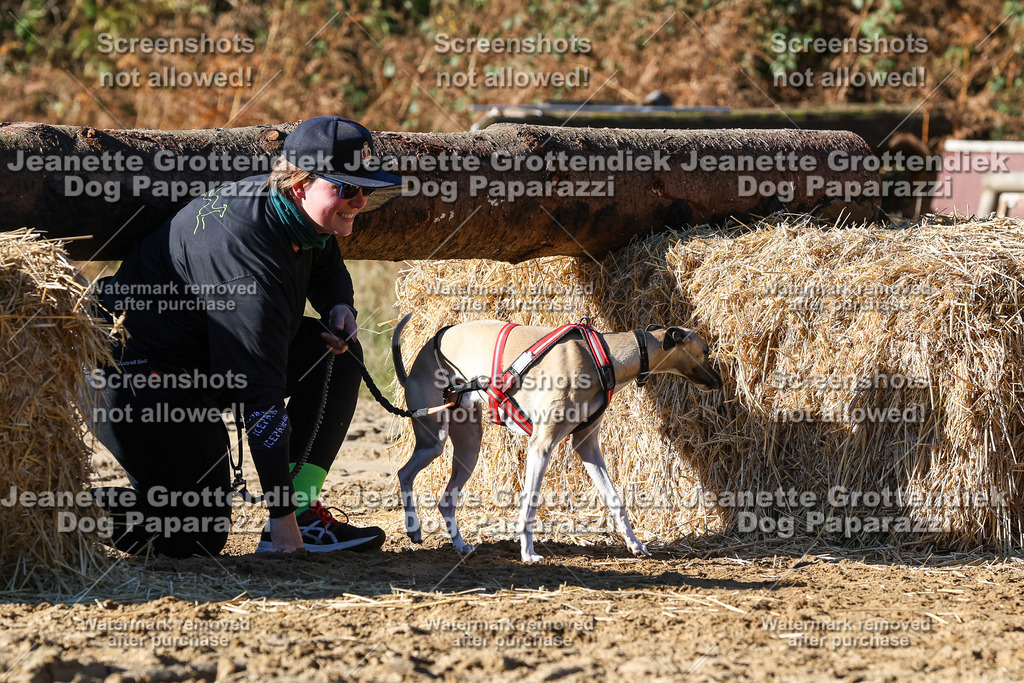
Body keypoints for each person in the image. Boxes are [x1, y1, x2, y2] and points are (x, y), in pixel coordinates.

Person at [87, 116, 401, 557]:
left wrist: (338, 305)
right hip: (134, 373)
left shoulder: (294, 212)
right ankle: (53, 512)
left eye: (366, 188)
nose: (360, 200)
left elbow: (325, 263)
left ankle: (304, 509)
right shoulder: (250, 268)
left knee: (334, 355)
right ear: (301, 184)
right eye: (348, 188)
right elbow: (260, 399)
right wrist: (280, 524)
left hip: (204, 358)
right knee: (196, 534)